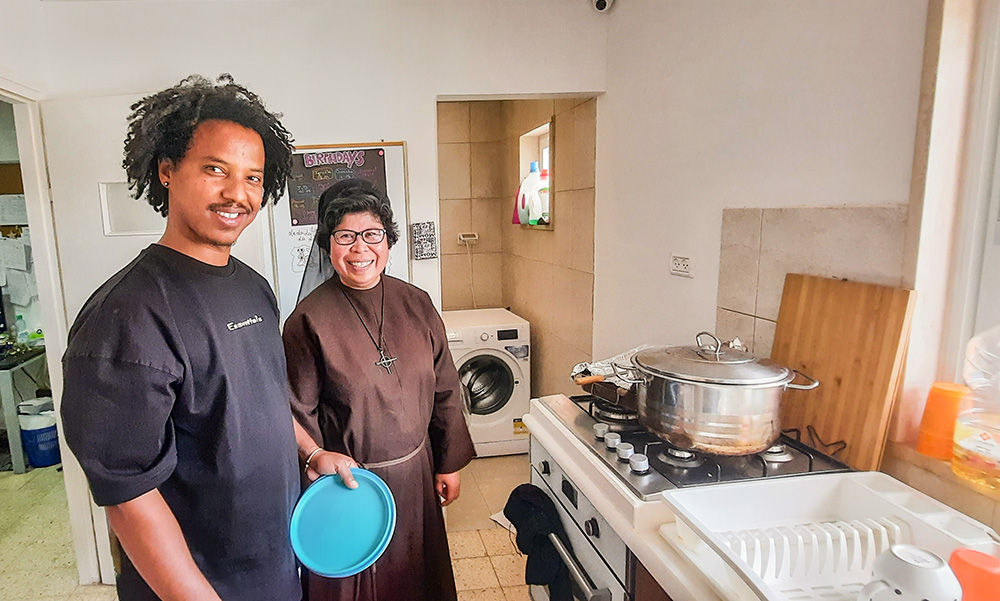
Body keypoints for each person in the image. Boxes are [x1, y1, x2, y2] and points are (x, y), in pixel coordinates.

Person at [60, 74, 338, 601]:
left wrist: (310, 454)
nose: (238, 193)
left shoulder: (254, 288)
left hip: (275, 565)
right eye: (216, 170)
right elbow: (128, 493)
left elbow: (257, 399)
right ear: (166, 172)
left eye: (253, 178)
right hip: (195, 586)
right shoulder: (126, 316)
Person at [283, 179, 475, 601]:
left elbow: (445, 388)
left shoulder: (418, 303)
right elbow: (297, 414)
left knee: (417, 577)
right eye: (345, 236)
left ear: (388, 241)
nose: (360, 249)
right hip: (351, 486)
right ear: (327, 244)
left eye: (372, 235)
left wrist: (448, 462)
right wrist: (316, 469)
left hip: (416, 473)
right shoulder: (307, 321)